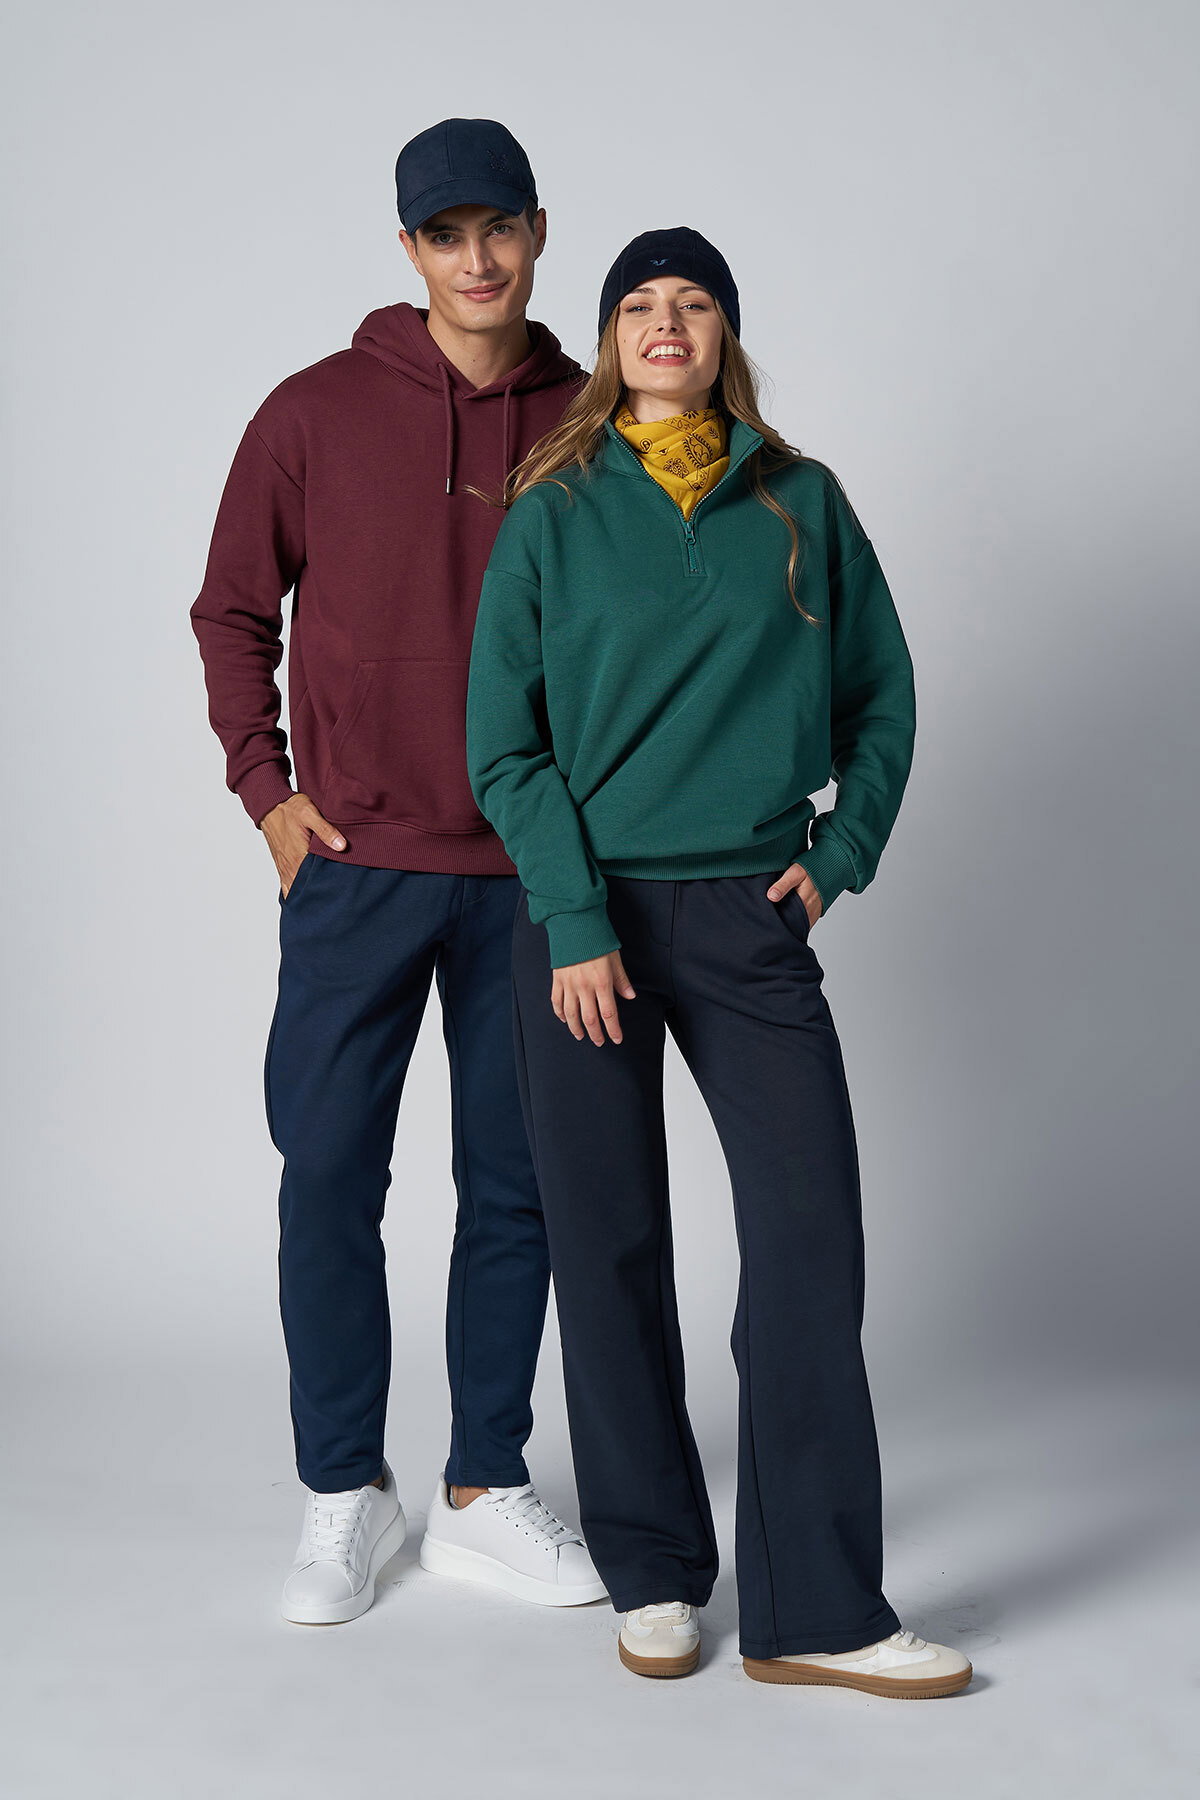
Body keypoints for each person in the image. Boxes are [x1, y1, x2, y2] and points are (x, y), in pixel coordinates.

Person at [464, 227, 973, 1695]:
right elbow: (504, 744)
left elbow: (883, 694)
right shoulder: (555, 507)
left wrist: (842, 850)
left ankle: (821, 1609)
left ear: (725, 333)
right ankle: (654, 1571)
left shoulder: (801, 499)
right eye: (639, 304)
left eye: (692, 302)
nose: (666, 322)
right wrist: (573, 919)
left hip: (750, 916)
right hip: (586, 925)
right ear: (611, 340)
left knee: (810, 1245)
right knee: (609, 1242)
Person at [189, 118, 605, 1625]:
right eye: (446, 234)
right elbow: (232, 610)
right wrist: (268, 795)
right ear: (411, 250)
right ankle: (341, 1491)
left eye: (499, 227)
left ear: (540, 232)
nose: (477, 259)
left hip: (531, 872)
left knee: (517, 1187)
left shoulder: (592, 420)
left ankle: (485, 1487)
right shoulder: (313, 411)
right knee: (325, 1177)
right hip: (357, 866)